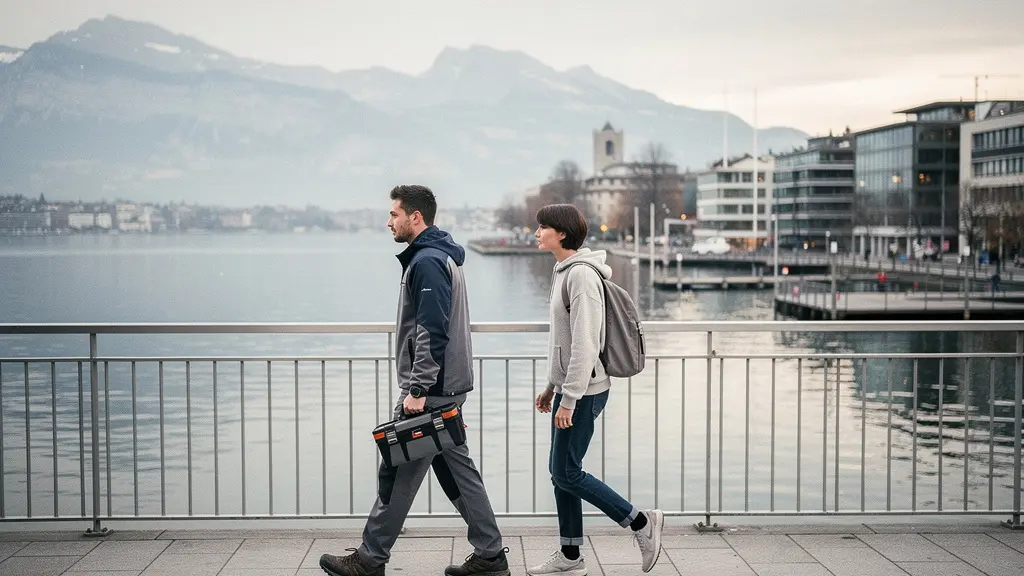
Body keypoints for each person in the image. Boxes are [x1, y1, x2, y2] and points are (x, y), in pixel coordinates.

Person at [320, 185, 509, 576]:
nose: (388, 221)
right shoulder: (440, 258)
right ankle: (490, 554)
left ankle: (370, 559)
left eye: (394, 214)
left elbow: (431, 329)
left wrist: (418, 389)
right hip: (447, 386)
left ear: (415, 217)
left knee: (397, 470)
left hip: (432, 391)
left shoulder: (426, 262)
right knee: (457, 472)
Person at [529, 204, 664, 575]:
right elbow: (564, 339)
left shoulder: (582, 277)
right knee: (562, 473)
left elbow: (586, 344)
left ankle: (640, 522)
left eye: (543, 227)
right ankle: (571, 556)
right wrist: (551, 387)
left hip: (586, 391)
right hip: (573, 388)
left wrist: (568, 398)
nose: (536, 232)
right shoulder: (563, 272)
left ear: (562, 233)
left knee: (567, 472)